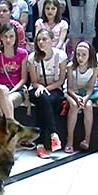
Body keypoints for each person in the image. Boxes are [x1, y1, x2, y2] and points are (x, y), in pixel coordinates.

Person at [64, 40, 98, 154]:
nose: (80, 58)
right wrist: (78, 98)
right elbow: (69, 88)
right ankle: (70, 141)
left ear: (90, 55)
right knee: (78, 106)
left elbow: (91, 87)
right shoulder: (71, 67)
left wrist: (85, 97)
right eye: (78, 54)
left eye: (84, 55)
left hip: (90, 92)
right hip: (74, 92)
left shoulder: (96, 67)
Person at [28, 28, 67, 158]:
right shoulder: (32, 57)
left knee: (43, 103)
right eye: (38, 40)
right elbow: (34, 81)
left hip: (54, 89)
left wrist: (47, 88)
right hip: (37, 89)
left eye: (44, 39)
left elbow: (61, 80)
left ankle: (40, 145)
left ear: (52, 40)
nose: (41, 42)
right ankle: (53, 134)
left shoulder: (60, 56)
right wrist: (40, 87)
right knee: (42, 98)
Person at [0, 23, 28, 119]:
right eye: (5, 37)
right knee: (3, 91)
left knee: (7, 101)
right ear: (1, 37)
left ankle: (8, 126)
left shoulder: (22, 54)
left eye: (11, 36)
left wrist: (12, 90)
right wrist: (2, 88)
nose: (8, 40)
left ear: (16, 37)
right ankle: (12, 126)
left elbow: (23, 79)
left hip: (16, 89)